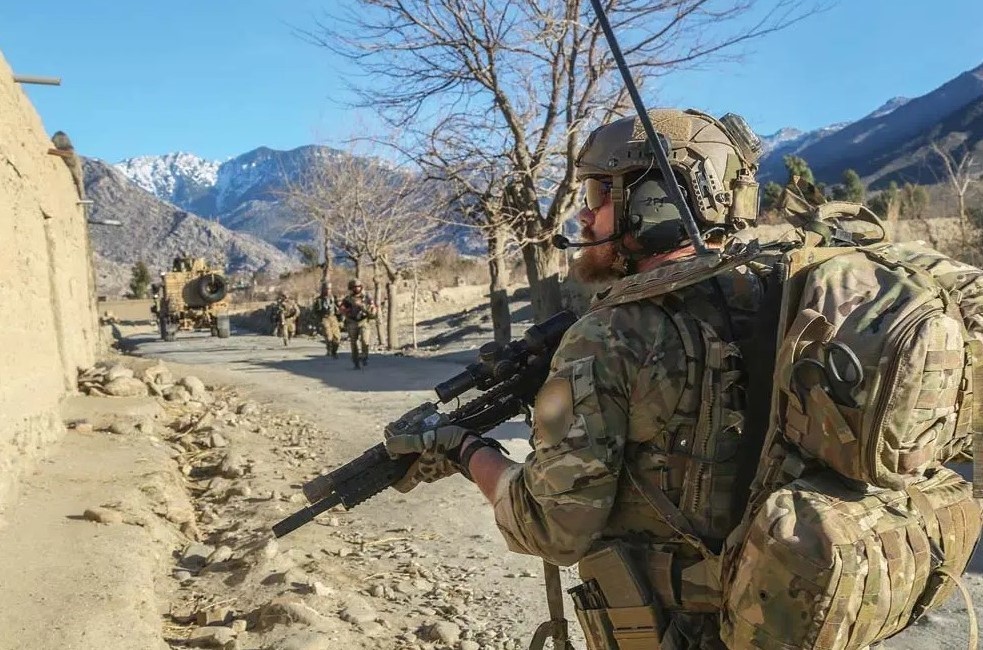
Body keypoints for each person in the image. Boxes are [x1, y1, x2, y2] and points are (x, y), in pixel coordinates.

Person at [339, 278, 376, 369]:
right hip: (352, 322)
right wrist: (346, 310)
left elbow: (372, 307)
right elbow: (341, 308)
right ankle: (356, 361)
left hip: (364, 321)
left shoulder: (367, 296)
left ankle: (364, 356)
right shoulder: (348, 299)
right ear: (351, 288)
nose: (357, 288)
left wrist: (364, 307)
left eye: (358, 286)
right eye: (354, 287)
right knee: (353, 342)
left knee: (365, 340)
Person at [312, 284, 341, 358]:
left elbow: (341, 308)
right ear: (323, 289)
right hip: (324, 318)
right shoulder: (318, 300)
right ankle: (329, 350)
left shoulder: (334, 298)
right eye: (326, 289)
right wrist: (318, 320)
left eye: (329, 289)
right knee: (328, 336)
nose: (328, 290)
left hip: (333, 318)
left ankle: (334, 351)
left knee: (337, 337)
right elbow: (314, 311)